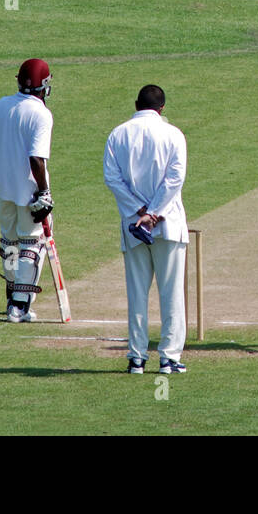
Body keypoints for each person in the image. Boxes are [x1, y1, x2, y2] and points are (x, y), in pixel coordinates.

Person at [103, 84, 189, 375]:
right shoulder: (173, 134)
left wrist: (140, 211)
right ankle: (169, 358)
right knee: (171, 293)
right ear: (162, 108)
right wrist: (154, 212)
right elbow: (175, 179)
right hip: (168, 225)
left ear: (136, 104)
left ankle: (137, 358)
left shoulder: (118, 134)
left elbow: (113, 180)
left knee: (137, 293)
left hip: (134, 225)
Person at [0, 58, 55, 323]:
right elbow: (37, 159)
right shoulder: (41, 114)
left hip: (4, 189)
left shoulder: (2, 105)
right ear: (44, 85)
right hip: (29, 192)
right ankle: (20, 305)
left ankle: (11, 294)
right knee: (31, 244)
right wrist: (44, 192)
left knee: (9, 243)